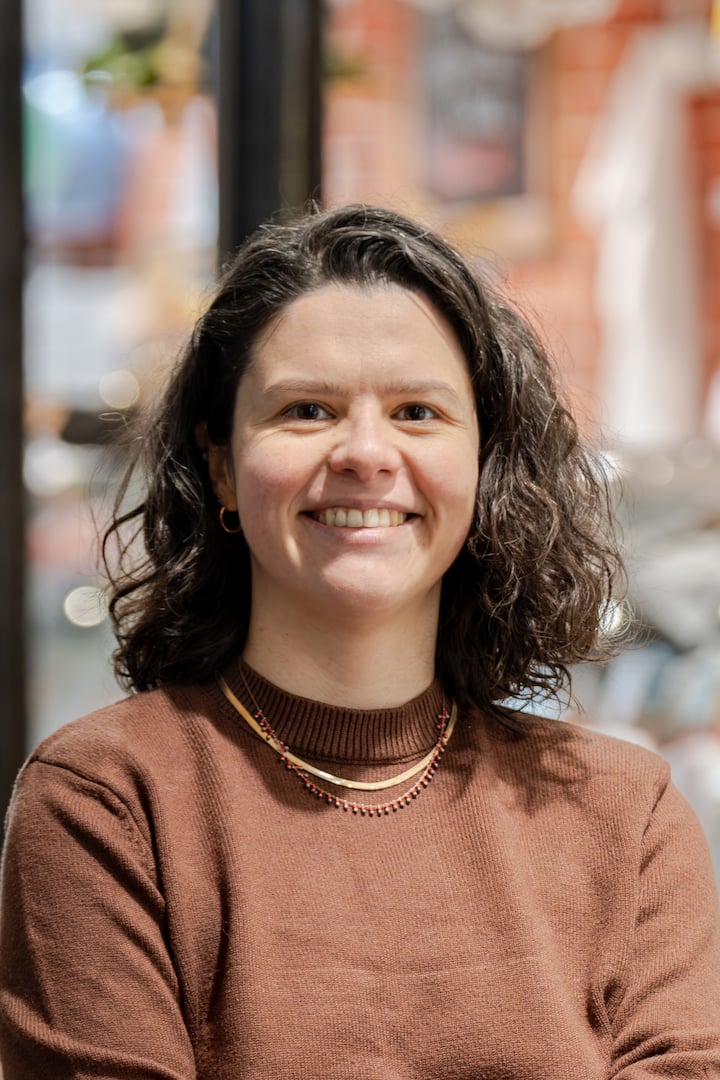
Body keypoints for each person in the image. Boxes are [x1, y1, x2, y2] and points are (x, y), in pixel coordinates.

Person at [1, 203, 718, 1079]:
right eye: (307, 409)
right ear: (221, 464)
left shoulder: (627, 813)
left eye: (418, 411)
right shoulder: (108, 802)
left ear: (484, 465)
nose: (366, 454)